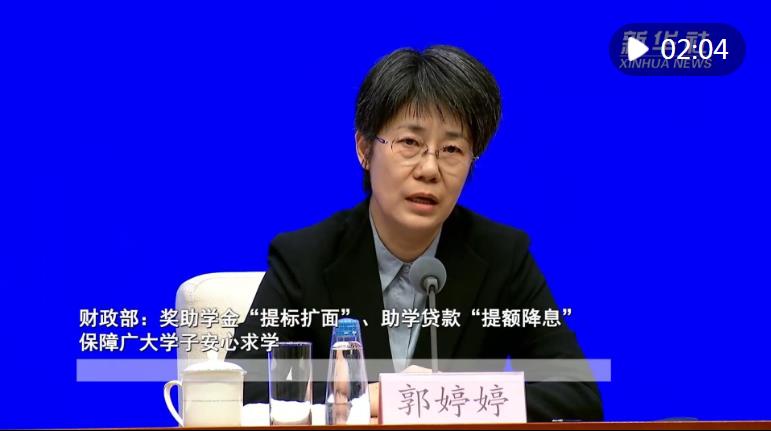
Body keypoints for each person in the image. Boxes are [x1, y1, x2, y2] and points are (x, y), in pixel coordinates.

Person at [228, 45, 603, 422]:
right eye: (410, 143)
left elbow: (576, 393)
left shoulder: (502, 256)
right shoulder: (305, 257)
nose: (429, 169)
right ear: (364, 149)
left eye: (452, 149)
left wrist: (436, 398)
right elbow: (242, 390)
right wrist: (361, 400)